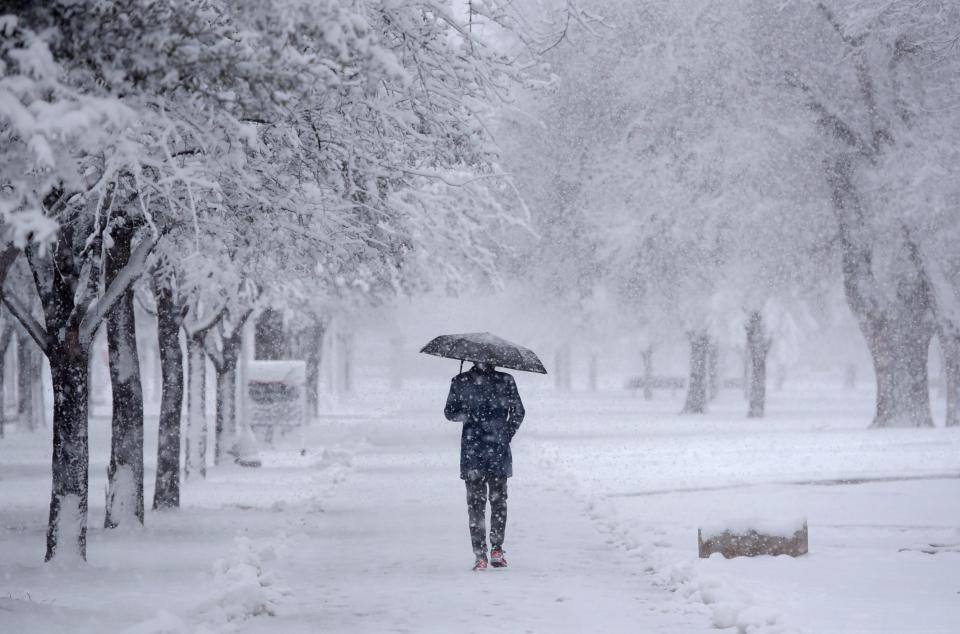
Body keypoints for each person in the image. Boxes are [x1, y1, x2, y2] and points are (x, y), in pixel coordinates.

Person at [444, 362, 525, 571]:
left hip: (478, 450)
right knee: (491, 502)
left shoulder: (464, 381)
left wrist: (504, 433)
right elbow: (449, 412)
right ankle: (490, 551)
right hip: (484, 450)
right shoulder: (465, 381)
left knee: (481, 504)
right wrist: (504, 433)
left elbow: (518, 411)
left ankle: (486, 552)